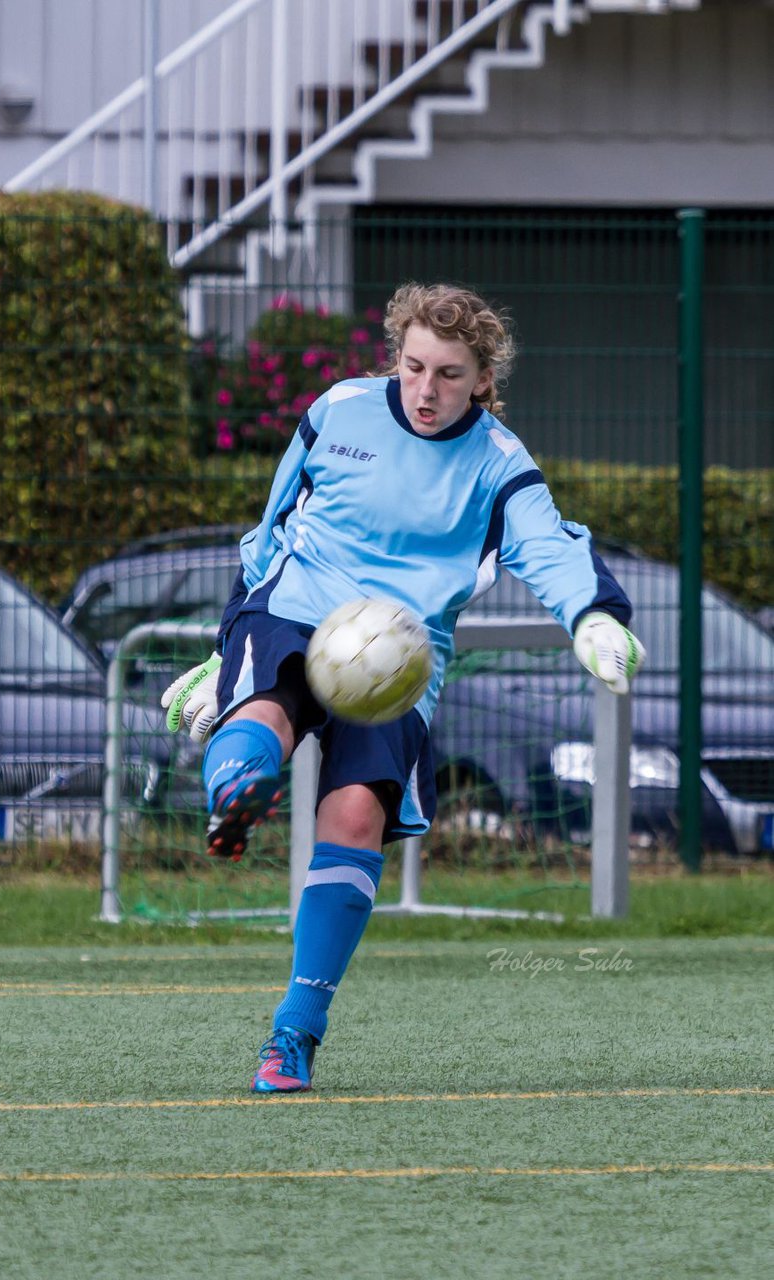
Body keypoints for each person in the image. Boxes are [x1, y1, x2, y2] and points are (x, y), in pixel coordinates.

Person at [162, 281, 645, 1094]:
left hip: (404, 655)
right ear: (396, 355)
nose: (427, 390)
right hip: (298, 601)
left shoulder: (500, 464)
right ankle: (238, 794)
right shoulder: (338, 411)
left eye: (449, 375)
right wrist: (222, 653)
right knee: (264, 714)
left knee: (353, 816)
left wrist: (594, 617)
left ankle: (294, 1034)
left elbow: (551, 547)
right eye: (415, 366)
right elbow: (270, 529)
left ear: (482, 379)